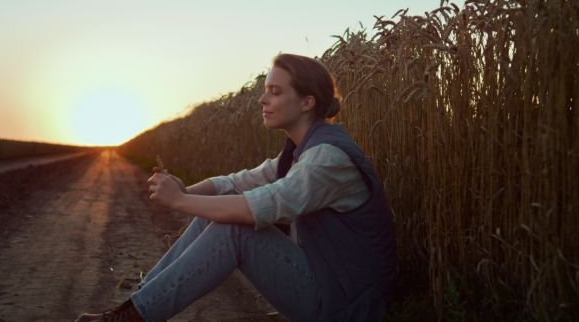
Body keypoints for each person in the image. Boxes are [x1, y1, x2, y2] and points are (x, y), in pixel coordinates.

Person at [75, 54, 397, 322]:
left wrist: (179, 202)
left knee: (234, 229)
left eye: (275, 91)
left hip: (346, 305)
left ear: (306, 102)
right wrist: (184, 189)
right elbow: (237, 183)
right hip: (325, 283)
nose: (262, 99)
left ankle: (132, 316)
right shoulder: (300, 152)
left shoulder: (327, 159)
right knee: (218, 213)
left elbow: (257, 208)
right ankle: (135, 307)